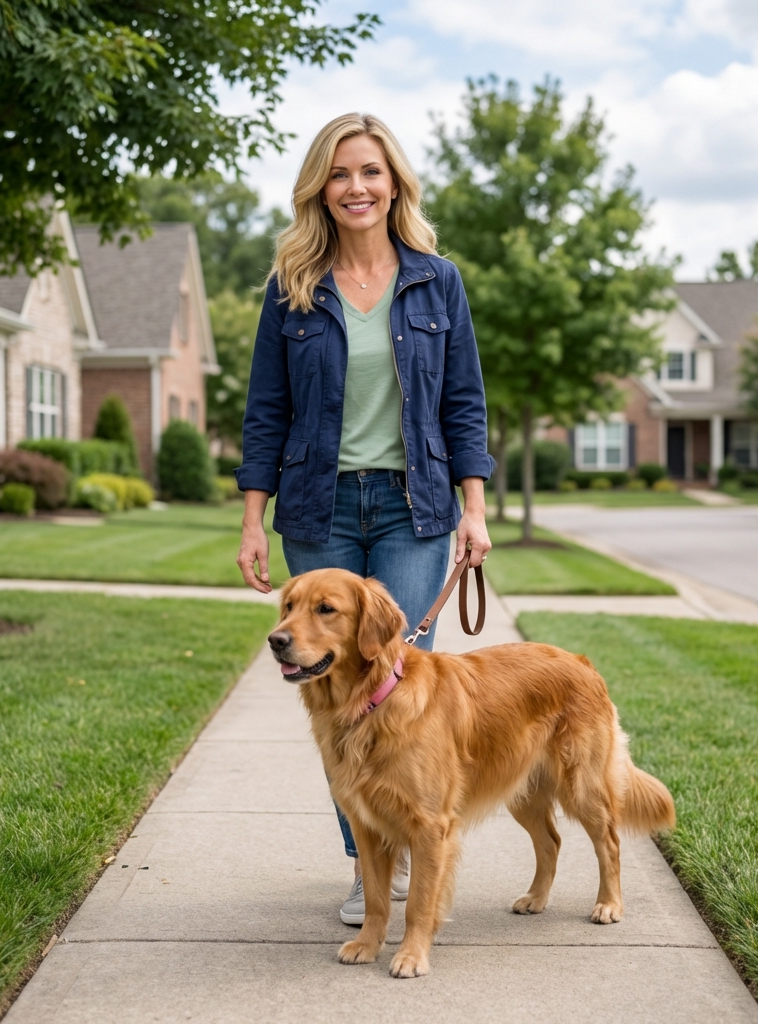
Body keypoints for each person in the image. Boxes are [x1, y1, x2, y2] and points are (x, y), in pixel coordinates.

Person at [235, 112, 494, 925]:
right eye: (341, 174)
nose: (357, 187)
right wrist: (252, 520)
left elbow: (463, 405)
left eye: (371, 173)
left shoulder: (435, 280)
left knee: (399, 682)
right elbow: (265, 411)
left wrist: (474, 508)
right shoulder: (293, 287)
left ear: (394, 184)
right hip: (319, 505)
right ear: (321, 186)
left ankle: (413, 850)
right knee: (333, 692)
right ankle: (368, 867)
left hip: (414, 506)